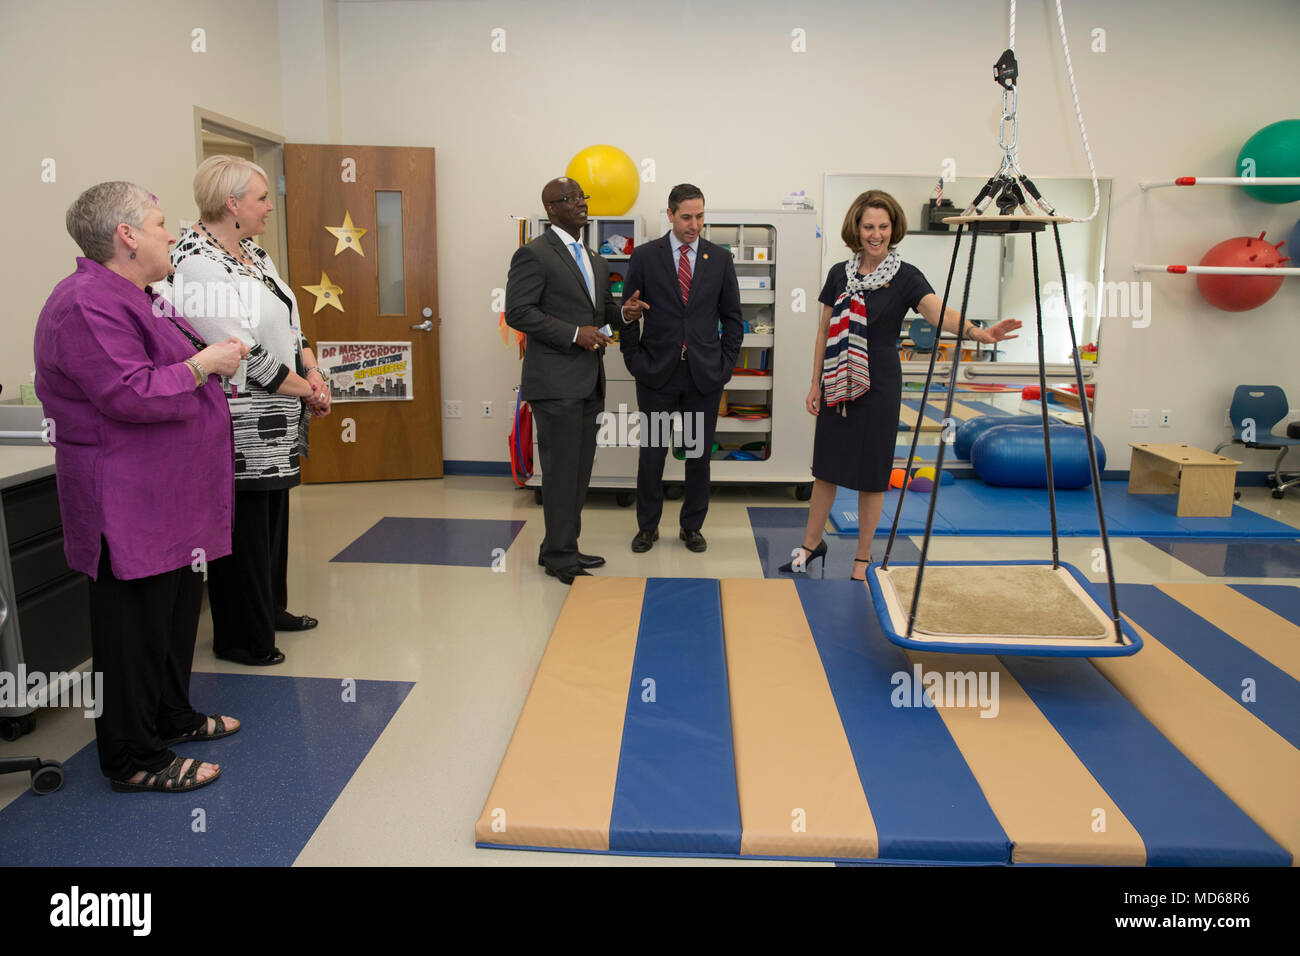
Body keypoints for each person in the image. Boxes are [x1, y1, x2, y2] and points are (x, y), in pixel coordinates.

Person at [34, 181, 248, 792]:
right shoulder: (85, 303)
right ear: (126, 236)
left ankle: (170, 716)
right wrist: (206, 364)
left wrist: (203, 362)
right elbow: (129, 392)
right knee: (133, 629)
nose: (173, 234)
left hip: (171, 496)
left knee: (175, 617)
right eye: (160, 224)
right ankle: (134, 759)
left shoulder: (139, 295)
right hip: (128, 502)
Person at [784, 189, 1021, 580]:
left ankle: (862, 558)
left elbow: (938, 313)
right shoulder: (837, 275)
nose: (875, 234)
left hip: (879, 386)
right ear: (855, 230)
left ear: (893, 229)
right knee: (825, 469)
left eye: (883, 226)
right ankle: (811, 546)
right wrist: (815, 384)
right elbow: (824, 331)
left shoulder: (906, 277)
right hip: (837, 382)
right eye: (868, 227)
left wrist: (979, 333)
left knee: (872, 474)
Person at [166, 156, 331, 665]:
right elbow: (238, 349)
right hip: (240, 419)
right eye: (261, 198)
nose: (268, 208)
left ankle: (271, 609)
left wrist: (313, 370)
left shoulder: (253, 251)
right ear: (231, 203)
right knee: (243, 527)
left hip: (279, 409)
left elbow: (291, 319)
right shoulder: (197, 262)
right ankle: (241, 635)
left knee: (272, 519)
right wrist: (304, 389)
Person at [505, 177, 621, 584]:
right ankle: (559, 556)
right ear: (550, 209)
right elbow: (518, 312)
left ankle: (561, 545)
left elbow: (602, 313)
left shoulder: (596, 258)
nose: (580, 204)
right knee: (558, 472)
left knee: (578, 472)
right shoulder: (534, 254)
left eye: (582, 197)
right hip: (554, 382)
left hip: (589, 381)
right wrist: (575, 333)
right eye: (569, 199)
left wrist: (626, 314)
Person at [618, 184, 743, 553]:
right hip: (657, 374)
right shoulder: (645, 257)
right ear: (670, 214)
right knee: (653, 453)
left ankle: (692, 527)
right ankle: (647, 527)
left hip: (703, 376)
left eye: (700, 216)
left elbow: (734, 319)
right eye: (686, 217)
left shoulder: (718, 259)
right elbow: (628, 312)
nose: (694, 225)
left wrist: (725, 365)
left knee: (697, 455)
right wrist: (634, 360)